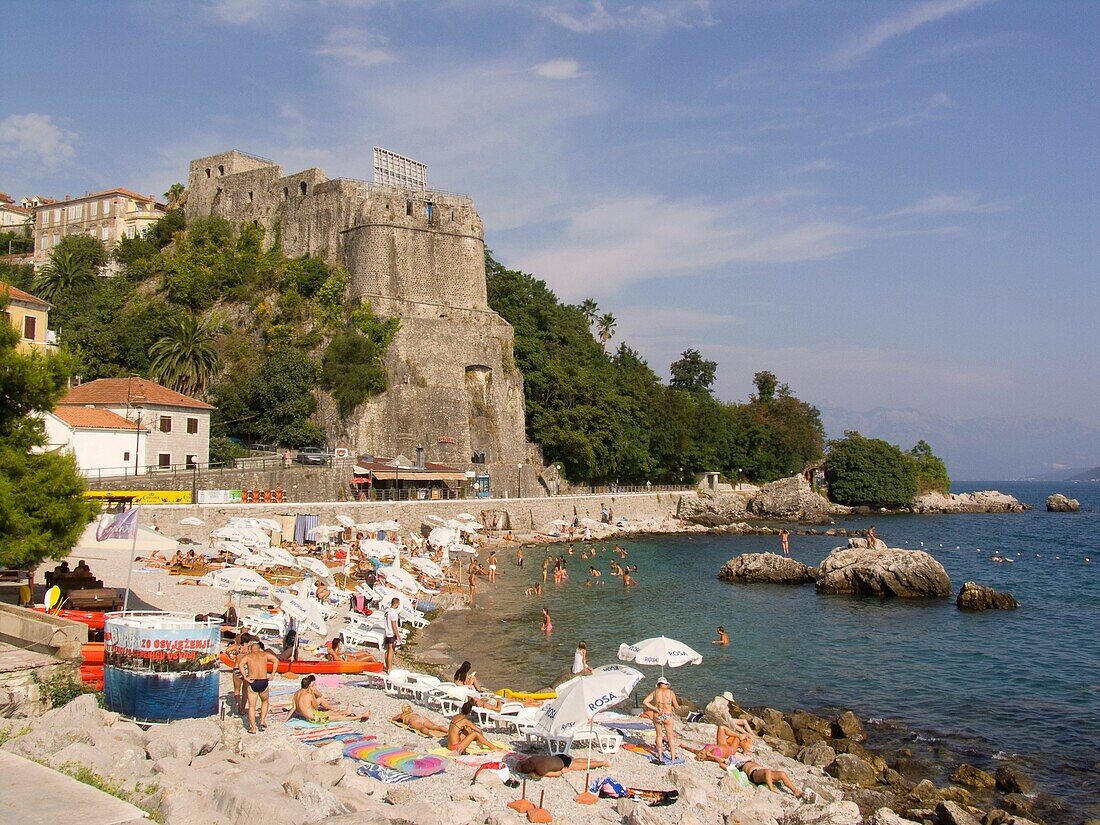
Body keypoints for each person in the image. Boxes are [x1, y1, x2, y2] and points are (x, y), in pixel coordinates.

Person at [685, 745, 802, 795]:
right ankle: (771, 789)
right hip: (754, 774)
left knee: (782, 773)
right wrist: (710, 757)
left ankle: (795, 790)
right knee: (768, 773)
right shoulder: (733, 764)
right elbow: (721, 762)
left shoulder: (738, 760)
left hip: (759, 769)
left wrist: (683, 746)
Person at [238, 640, 280, 733]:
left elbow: (240, 664)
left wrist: (245, 677)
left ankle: (253, 728)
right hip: (263, 681)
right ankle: (262, 720)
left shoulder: (248, 656)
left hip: (253, 681)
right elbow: (276, 660)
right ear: (259, 648)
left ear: (251, 649)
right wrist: (273, 674)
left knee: (252, 706)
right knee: (265, 701)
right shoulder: (264, 654)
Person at [292, 675, 369, 723]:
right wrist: (312, 694)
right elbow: (316, 707)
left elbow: (294, 708)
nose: (313, 687)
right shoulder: (309, 695)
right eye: (312, 686)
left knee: (329, 713)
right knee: (338, 718)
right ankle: (361, 716)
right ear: (308, 686)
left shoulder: (297, 693)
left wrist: (285, 719)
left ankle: (345, 712)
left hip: (313, 715)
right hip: (314, 718)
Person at [643, 676, 681, 761]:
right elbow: (676, 706)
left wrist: (655, 708)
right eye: (667, 684)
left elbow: (645, 702)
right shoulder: (671, 693)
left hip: (657, 715)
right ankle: (673, 757)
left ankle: (660, 756)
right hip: (667, 715)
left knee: (659, 735)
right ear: (665, 684)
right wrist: (675, 707)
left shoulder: (655, 692)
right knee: (670, 736)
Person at [515, 754, 609, 777]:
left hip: (563, 764)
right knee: (575, 760)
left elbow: (555, 774)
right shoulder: (532, 759)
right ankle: (593, 759)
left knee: (582, 766)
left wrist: (562, 771)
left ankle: (603, 763)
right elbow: (519, 764)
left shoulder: (540, 770)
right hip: (558, 756)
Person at [383, 597, 401, 672]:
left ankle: (387, 667)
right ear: (396, 603)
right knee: (391, 651)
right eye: (398, 603)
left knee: (387, 650)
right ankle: (389, 668)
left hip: (386, 632)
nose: (399, 605)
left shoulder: (387, 611)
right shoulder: (393, 613)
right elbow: (394, 625)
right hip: (391, 633)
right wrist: (398, 636)